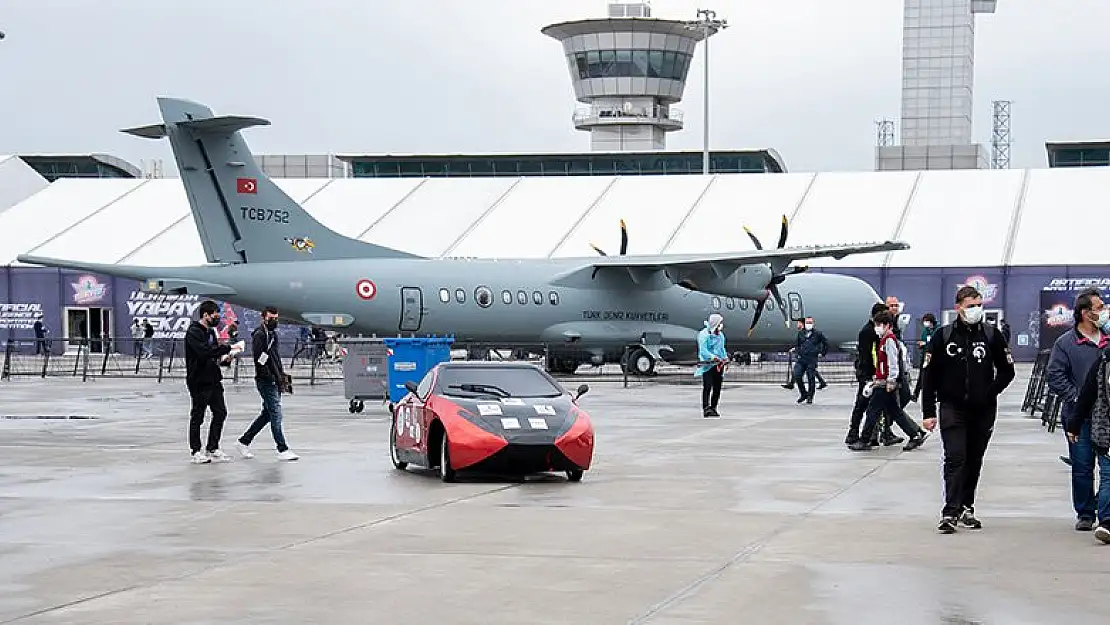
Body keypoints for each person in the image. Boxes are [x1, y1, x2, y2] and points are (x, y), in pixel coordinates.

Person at [920, 286, 1016, 534]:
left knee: (974, 459)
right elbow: (929, 376)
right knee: (955, 457)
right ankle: (950, 510)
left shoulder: (992, 335)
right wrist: (928, 411)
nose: (975, 310)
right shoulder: (943, 336)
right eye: (970, 305)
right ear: (959, 307)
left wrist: (990, 392)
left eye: (978, 304)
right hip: (952, 406)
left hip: (982, 409)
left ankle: (966, 506)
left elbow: (1007, 370)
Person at [1046, 287, 1110, 532]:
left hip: (1106, 416)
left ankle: (1106, 516)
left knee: (1107, 468)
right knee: (1082, 466)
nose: (1104, 312)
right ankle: (1085, 512)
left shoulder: (1108, 339)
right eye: (1099, 308)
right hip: (1079, 415)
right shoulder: (1066, 343)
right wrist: (1076, 398)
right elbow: (1055, 375)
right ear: (1085, 313)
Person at [850, 310, 928, 452]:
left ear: (887, 325)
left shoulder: (889, 340)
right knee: (895, 412)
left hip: (886, 384)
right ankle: (915, 434)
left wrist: (891, 380)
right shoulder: (884, 340)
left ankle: (864, 440)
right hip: (883, 382)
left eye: (879, 324)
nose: (877, 327)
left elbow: (893, 363)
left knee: (873, 411)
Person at [236, 306, 299, 460]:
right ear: (263, 318)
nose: (274, 321)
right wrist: (269, 377)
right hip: (266, 381)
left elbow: (274, 357)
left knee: (267, 414)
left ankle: (244, 441)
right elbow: (260, 359)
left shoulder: (272, 334)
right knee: (276, 414)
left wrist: (280, 375)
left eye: (276, 318)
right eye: (271, 318)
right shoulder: (260, 335)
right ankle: (282, 449)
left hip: (275, 379)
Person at [184, 300, 241, 464]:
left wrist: (226, 358)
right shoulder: (194, 332)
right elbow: (204, 352)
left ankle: (213, 447)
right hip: (199, 380)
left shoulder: (211, 332)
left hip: (214, 378)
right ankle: (196, 450)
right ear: (205, 315)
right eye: (215, 316)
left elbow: (214, 354)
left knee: (220, 412)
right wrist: (227, 348)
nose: (217, 319)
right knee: (198, 416)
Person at [1067, 339, 1110, 544]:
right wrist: (1075, 422)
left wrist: (1075, 422)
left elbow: (1088, 392)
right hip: (1105, 429)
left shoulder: (1104, 360)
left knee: (1108, 476)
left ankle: (1106, 521)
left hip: (1105, 427)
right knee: (1105, 474)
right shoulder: (1103, 361)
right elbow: (1087, 393)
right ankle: (1104, 519)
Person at [846, 303, 900, 447]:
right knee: (863, 405)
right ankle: (854, 433)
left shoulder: (881, 333)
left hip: (878, 375)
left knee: (883, 407)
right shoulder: (868, 332)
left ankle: (881, 434)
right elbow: (868, 355)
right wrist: (869, 376)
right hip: (869, 374)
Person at [696, 313, 727, 418]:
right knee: (707, 387)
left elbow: (721, 348)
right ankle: (706, 408)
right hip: (708, 365)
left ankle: (714, 407)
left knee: (717, 387)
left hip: (718, 365)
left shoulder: (720, 335)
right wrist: (712, 357)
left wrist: (725, 358)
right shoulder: (704, 335)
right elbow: (703, 350)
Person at [791, 317, 828, 404]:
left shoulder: (818, 334)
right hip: (802, 358)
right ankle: (803, 393)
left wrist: (822, 353)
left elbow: (825, 343)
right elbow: (797, 344)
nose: (808, 324)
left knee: (811, 378)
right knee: (797, 375)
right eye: (807, 322)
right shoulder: (800, 333)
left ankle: (810, 396)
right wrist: (797, 352)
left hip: (812, 359)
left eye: (810, 322)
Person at [911, 313, 938, 401]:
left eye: (926, 321)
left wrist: (926, 343)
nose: (925, 324)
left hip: (934, 356)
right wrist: (921, 344)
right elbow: (923, 339)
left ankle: (936, 393)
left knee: (934, 375)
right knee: (922, 374)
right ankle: (916, 394)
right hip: (925, 355)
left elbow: (935, 342)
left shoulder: (937, 330)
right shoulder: (926, 331)